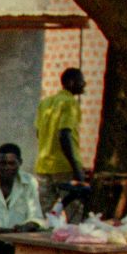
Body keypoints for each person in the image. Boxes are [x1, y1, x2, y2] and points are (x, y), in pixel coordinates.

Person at [35, 67, 86, 218]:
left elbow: (38, 132)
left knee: (43, 216)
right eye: (81, 81)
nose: (84, 84)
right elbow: (64, 134)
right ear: (71, 83)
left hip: (43, 165)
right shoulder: (70, 103)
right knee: (74, 213)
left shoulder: (45, 103)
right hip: (64, 166)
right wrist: (76, 167)